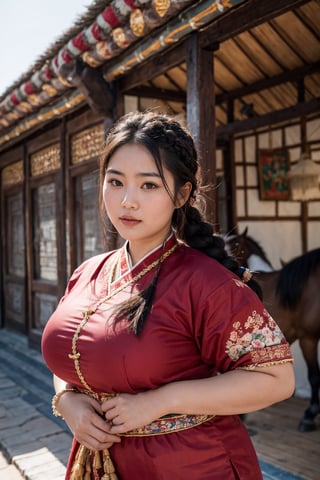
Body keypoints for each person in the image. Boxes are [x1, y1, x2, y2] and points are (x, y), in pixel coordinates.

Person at [42, 111, 295, 480]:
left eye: (148, 185)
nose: (128, 201)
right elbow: (71, 355)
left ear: (181, 194)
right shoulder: (88, 272)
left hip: (189, 464)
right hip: (98, 464)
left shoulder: (206, 283)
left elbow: (278, 378)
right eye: (115, 182)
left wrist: (161, 401)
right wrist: (67, 402)